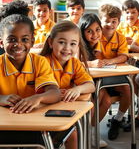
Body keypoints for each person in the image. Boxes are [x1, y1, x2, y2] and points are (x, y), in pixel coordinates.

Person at [0, 14, 60, 144]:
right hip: (4, 126)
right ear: (1, 42)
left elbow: (55, 93)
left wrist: (38, 98)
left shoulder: (39, 62)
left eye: (25, 39)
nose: (18, 44)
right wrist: (1, 98)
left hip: (35, 125)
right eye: (12, 39)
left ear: (32, 42)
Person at [40, 20, 95, 149]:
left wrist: (78, 89)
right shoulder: (42, 62)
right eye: (61, 42)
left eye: (72, 44)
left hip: (62, 109)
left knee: (73, 135)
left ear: (78, 47)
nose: (67, 48)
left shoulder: (75, 63)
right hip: (42, 110)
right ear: (50, 42)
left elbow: (90, 85)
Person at [98, 4, 130, 140]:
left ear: (118, 22)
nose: (110, 24)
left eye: (114, 21)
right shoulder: (95, 35)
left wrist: (109, 61)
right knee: (104, 100)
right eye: (106, 21)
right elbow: (97, 57)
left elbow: (124, 56)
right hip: (99, 77)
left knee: (128, 89)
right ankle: (92, 129)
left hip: (114, 74)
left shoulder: (120, 37)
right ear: (100, 20)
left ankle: (117, 119)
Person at [79, 13, 111, 148]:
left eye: (97, 29)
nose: (95, 34)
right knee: (94, 102)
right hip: (79, 83)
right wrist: (91, 64)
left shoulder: (98, 44)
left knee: (107, 100)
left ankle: (92, 131)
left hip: (96, 81)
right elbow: (75, 63)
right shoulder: (79, 44)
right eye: (89, 31)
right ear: (82, 32)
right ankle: (86, 134)